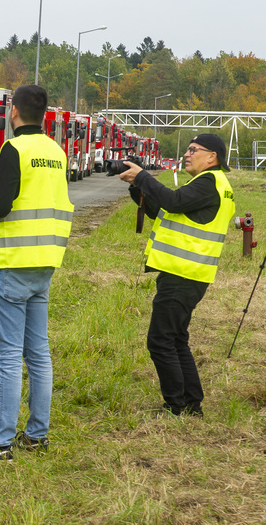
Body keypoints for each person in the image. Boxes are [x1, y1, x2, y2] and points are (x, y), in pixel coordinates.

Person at [0, 84, 73, 460]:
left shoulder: (14, 149)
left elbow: (1, 207)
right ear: (44, 115)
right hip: (45, 262)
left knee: (8, 357)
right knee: (38, 353)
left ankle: (1, 443)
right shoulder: (56, 151)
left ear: (13, 112)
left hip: (13, 263)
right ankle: (37, 434)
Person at [119, 134, 235, 417]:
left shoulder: (210, 183)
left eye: (193, 150)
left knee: (160, 340)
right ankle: (191, 403)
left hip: (184, 274)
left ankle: (176, 406)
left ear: (212, 157)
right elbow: (166, 213)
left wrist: (144, 177)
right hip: (186, 273)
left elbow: (171, 200)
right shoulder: (209, 184)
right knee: (175, 339)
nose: (187, 154)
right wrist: (137, 188)